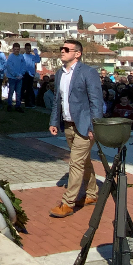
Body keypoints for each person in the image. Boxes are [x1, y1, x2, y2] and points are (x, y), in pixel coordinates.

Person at [48, 40, 103, 218]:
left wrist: (94, 126)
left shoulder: (88, 72)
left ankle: (68, 202)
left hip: (85, 125)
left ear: (77, 53)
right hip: (68, 125)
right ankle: (92, 193)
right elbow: (58, 100)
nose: (62, 52)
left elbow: (96, 102)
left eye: (66, 49)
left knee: (76, 163)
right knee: (84, 162)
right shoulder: (59, 74)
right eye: (61, 49)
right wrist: (54, 121)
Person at [4, 43, 25, 112]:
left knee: (18, 92)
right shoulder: (10, 57)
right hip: (12, 78)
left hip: (20, 78)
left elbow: (23, 66)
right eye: (15, 49)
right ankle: (9, 105)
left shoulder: (21, 57)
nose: (16, 51)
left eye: (18, 49)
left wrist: (21, 74)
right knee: (11, 92)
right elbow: (10, 67)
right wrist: (16, 74)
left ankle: (18, 106)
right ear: (13, 49)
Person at [20, 43, 41, 107]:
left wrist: (36, 53)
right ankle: (19, 101)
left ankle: (28, 103)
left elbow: (38, 60)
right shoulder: (23, 56)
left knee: (29, 89)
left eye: (29, 48)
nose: (28, 50)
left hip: (31, 75)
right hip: (25, 74)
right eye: (27, 48)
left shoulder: (32, 56)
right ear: (25, 49)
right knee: (23, 88)